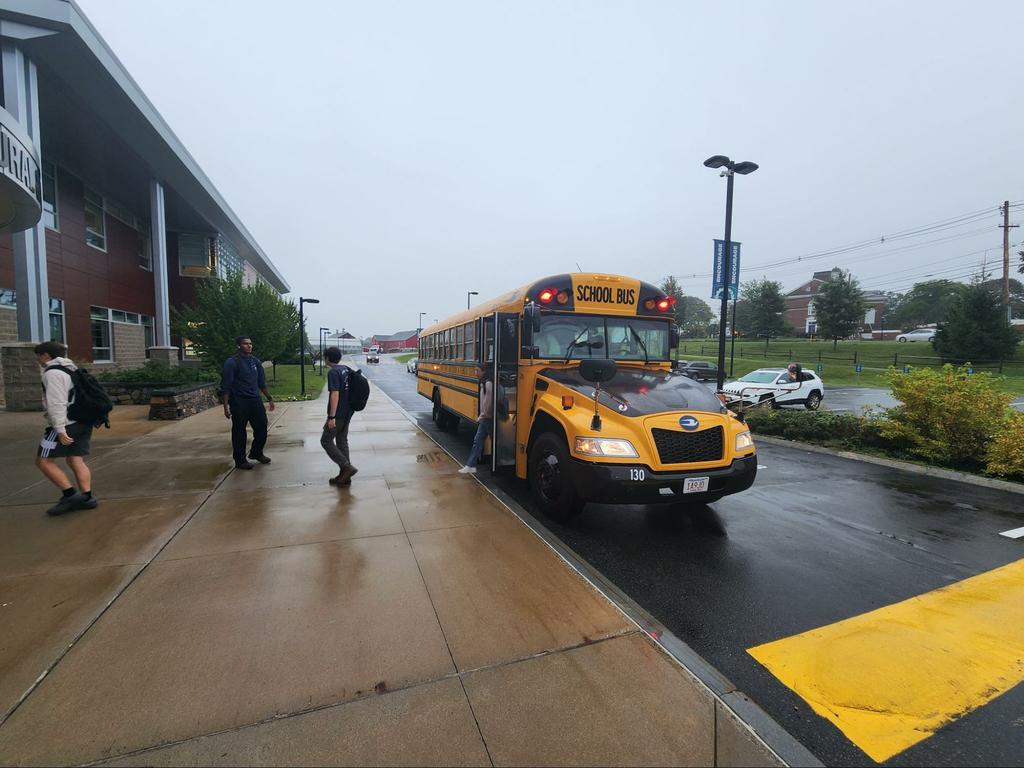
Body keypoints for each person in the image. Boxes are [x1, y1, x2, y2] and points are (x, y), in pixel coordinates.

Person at [34, 341, 98, 516]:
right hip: (83, 421)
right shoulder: (71, 368)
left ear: (46, 355)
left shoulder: (53, 373)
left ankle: (70, 495)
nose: (38, 360)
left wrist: (59, 429)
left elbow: (57, 403)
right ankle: (87, 497)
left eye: (38, 356)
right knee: (75, 459)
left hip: (66, 423)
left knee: (43, 461)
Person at [222, 336, 275, 469]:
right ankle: (240, 460)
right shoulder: (232, 362)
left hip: (254, 399)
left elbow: (261, 383)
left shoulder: (255, 362)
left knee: (262, 427)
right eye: (245, 344)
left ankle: (256, 452)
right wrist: (226, 407)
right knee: (239, 431)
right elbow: (226, 386)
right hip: (239, 401)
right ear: (239, 346)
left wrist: (269, 398)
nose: (249, 346)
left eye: (250, 344)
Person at [322, 346, 358, 486]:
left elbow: (335, 394)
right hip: (348, 411)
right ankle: (345, 477)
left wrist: (331, 417)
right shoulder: (346, 369)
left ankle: (346, 467)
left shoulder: (333, 372)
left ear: (327, 358)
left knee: (325, 440)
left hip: (339, 414)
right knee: (342, 441)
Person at [458, 364, 494, 475]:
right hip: (486, 418)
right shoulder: (484, 383)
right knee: (477, 441)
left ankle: (471, 465)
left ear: (483, 371)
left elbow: (488, 402)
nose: (475, 373)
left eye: (477, 370)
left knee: (491, 441)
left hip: (488, 418)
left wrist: (483, 415)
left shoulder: (487, 384)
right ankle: (470, 465)